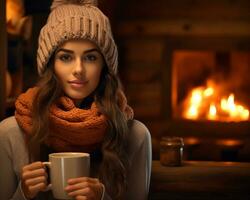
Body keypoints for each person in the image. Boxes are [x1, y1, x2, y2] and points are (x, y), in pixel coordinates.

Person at [0, 0, 152, 199]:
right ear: (50, 65)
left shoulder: (136, 136)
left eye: (90, 58)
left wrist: (102, 197)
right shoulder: (10, 133)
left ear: (104, 67)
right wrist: (23, 193)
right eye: (65, 57)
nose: (79, 69)